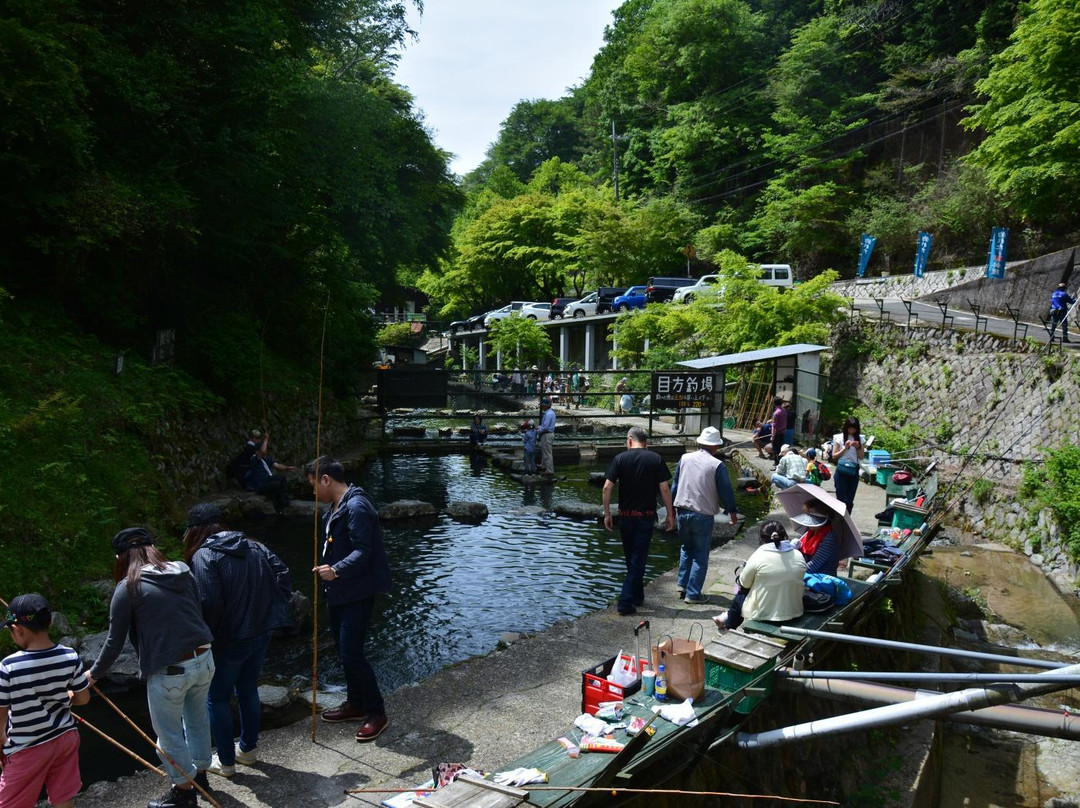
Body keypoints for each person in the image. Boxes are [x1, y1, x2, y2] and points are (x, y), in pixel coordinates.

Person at [87, 528, 215, 808]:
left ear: (121, 557)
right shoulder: (182, 570)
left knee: (167, 737)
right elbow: (198, 609)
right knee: (197, 721)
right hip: (205, 658)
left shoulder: (128, 587)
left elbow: (113, 642)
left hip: (170, 671)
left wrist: (92, 675)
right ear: (153, 547)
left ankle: (184, 792)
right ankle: (201, 778)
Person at [183, 504, 293, 778]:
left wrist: (209, 640)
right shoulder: (254, 546)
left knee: (217, 698)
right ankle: (248, 750)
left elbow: (209, 603)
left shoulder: (204, 556)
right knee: (248, 691)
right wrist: (268, 611)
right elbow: (283, 574)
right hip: (261, 632)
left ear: (195, 530)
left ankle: (228, 763)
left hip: (228, 640)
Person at [307, 456, 392, 742]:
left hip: (356, 592)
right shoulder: (336, 506)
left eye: (314, 485)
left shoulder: (356, 506)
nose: (313, 492)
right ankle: (355, 703)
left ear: (326, 479)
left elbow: (364, 551)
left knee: (353, 654)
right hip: (339, 591)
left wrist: (336, 570)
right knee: (344, 653)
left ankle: (376, 712)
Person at [0, 594, 90, 808]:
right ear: (49, 622)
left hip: (27, 747)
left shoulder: (8, 667)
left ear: (18, 630)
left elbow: (1, 715)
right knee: (63, 795)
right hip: (65, 738)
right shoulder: (69, 656)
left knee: (11, 802)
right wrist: (66, 697)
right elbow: (83, 698)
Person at [602, 427, 676, 616]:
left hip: (625, 516)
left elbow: (606, 488)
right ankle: (627, 601)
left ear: (629, 440)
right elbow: (665, 489)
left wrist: (607, 513)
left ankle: (636, 596)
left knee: (632, 559)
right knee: (638, 559)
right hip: (645, 516)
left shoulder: (620, 459)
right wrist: (670, 514)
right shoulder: (655, 458)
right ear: (646, 443)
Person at [671, 426, 739, 605]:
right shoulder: (717, 465)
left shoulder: (684, 458)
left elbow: (675, 485)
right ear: (716, 446)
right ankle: (693, 594)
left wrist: (670, 510)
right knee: (701, 555)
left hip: (682, 511)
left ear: (700, 442)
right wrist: (732, 512)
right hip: (702, 514)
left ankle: (682, 585)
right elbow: (726, 492)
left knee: (686, 548)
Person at [712, 521, 806, 631]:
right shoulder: (798, 555)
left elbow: (744, 584)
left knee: (742, 593)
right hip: (794, 612)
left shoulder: (759, 556)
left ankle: (728, 624)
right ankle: (727, 621)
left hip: (765, 615)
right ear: (784, 535)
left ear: (761, 537)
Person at [245, 432, 297, 515]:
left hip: (268, 479)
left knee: (282, 478)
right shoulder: (254, 459)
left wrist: (287, 468)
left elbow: (277, 465)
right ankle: (280, 504)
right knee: (276, 485)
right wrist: (266, 439)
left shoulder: (267, 459)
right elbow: (262, 452)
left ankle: (285, 499)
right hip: (260, 485)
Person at [791, 501, 843, 576]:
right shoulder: (809, 531)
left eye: (814, 519)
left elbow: (813, 565)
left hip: (822, 579)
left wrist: (791, 571)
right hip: (807, 573)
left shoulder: (829, 538)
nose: (809, 522)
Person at [831, 416, 864, 514]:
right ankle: (839, 519)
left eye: (854, 428)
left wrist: (858, 447)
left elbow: (861, 456)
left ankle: (847, 519)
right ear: (846, 427)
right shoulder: (839, 437)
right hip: (841, 470)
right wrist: (845, 448)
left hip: (853, 471)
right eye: (850, 428)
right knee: (841, 498)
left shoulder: (860, 438)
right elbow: (834, 456)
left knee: (849, 499)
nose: (852, 431)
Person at [537, 397, 556, 479]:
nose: (541, 407)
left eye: (542, 405)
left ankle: (549, 470)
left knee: (547, 453)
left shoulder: (548, 414)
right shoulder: (551, 413)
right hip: (548, 434)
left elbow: (545, 427)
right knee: (545, 451)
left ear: (545, 406)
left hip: (547, 434)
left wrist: (538, 430)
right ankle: (543, 465)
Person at [770, 397, 787, 464]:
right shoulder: (784, 411)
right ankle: (780, 462)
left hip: (777, 433)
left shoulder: (776, 413)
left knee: (775, 449)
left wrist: (772, 436)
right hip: (782, 432)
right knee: (780, 448)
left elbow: (774, 426)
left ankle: (776, 463)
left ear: (774, 403)